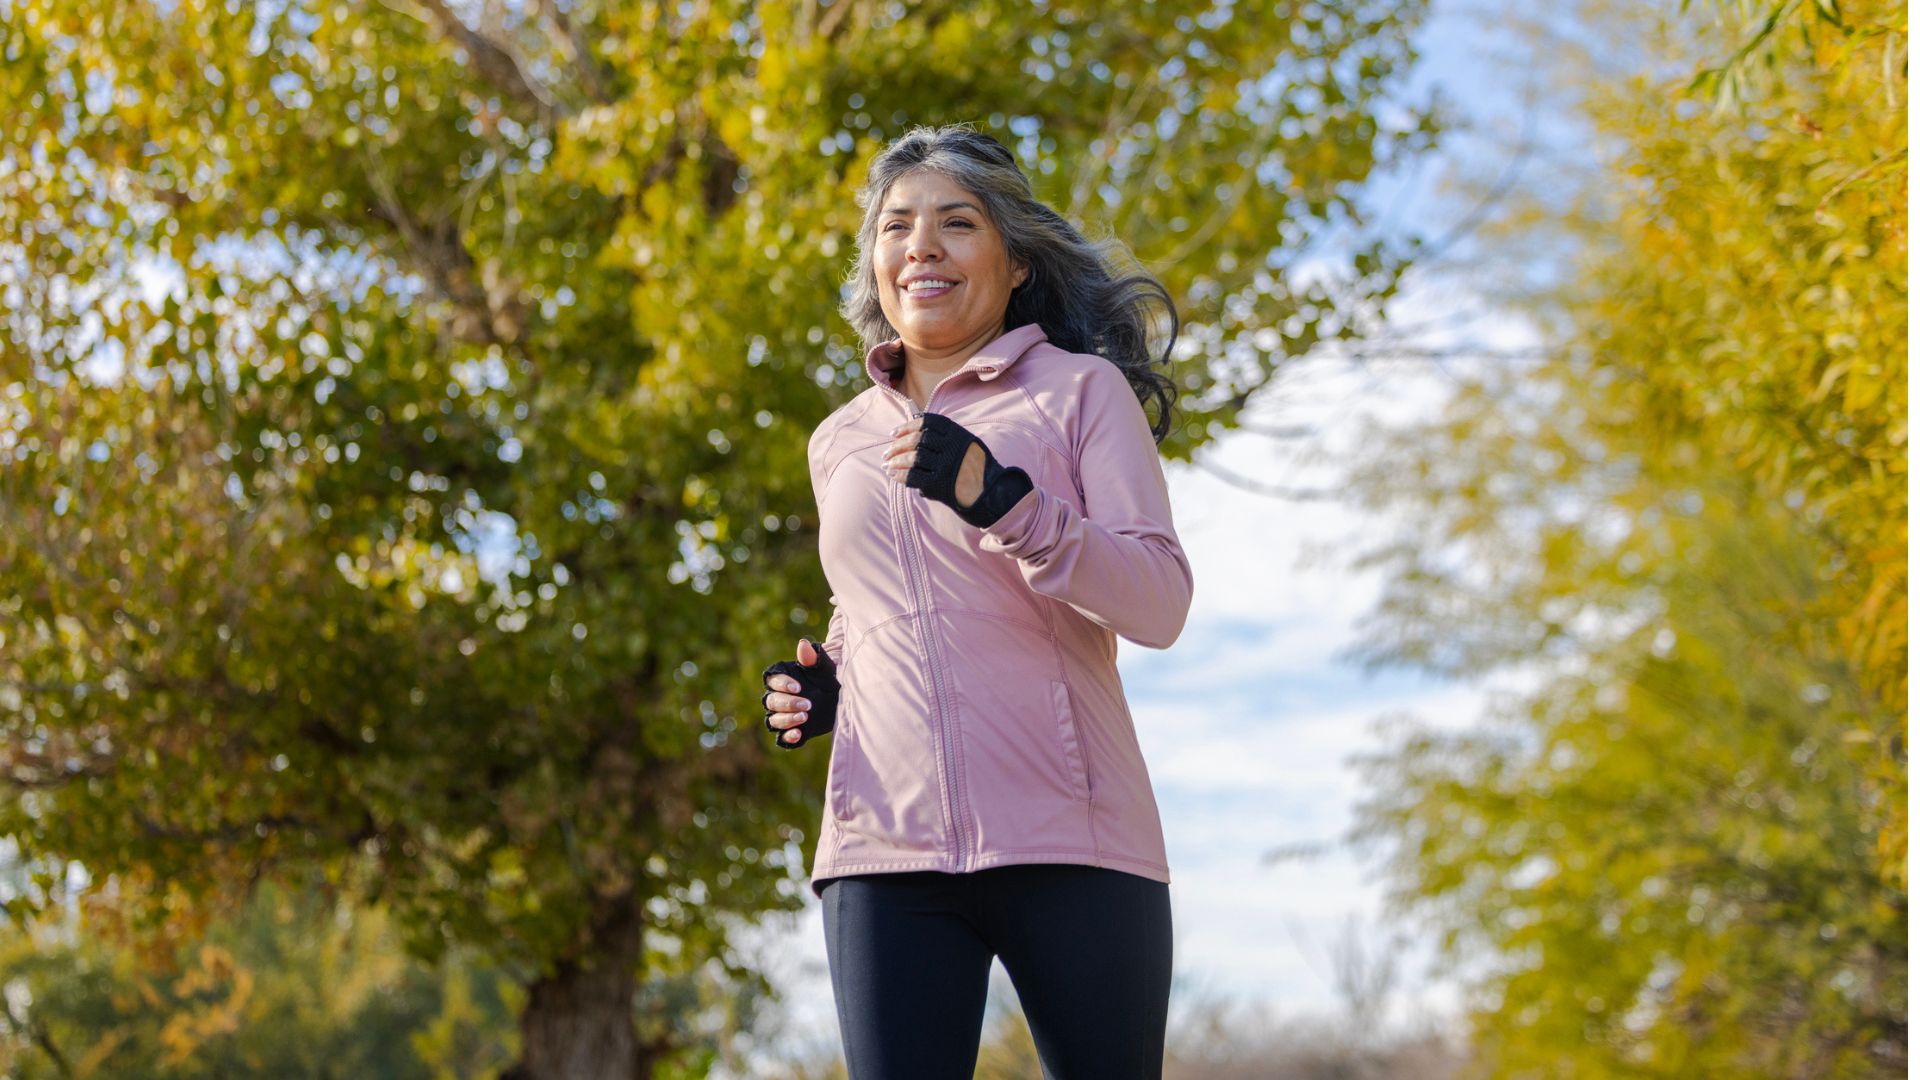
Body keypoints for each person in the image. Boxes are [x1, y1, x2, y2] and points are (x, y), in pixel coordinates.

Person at [758, 123, 1193, 1080]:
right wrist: (829, 686)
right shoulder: (838, 440)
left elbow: (1159, 602)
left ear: (1016, 262)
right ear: (875, 262)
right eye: (896, 226)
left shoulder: (1082, 395)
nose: (921, 246)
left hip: (1072, 840)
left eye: (958, 222)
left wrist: (1008, 504)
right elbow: (862, 606)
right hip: (884, 850)